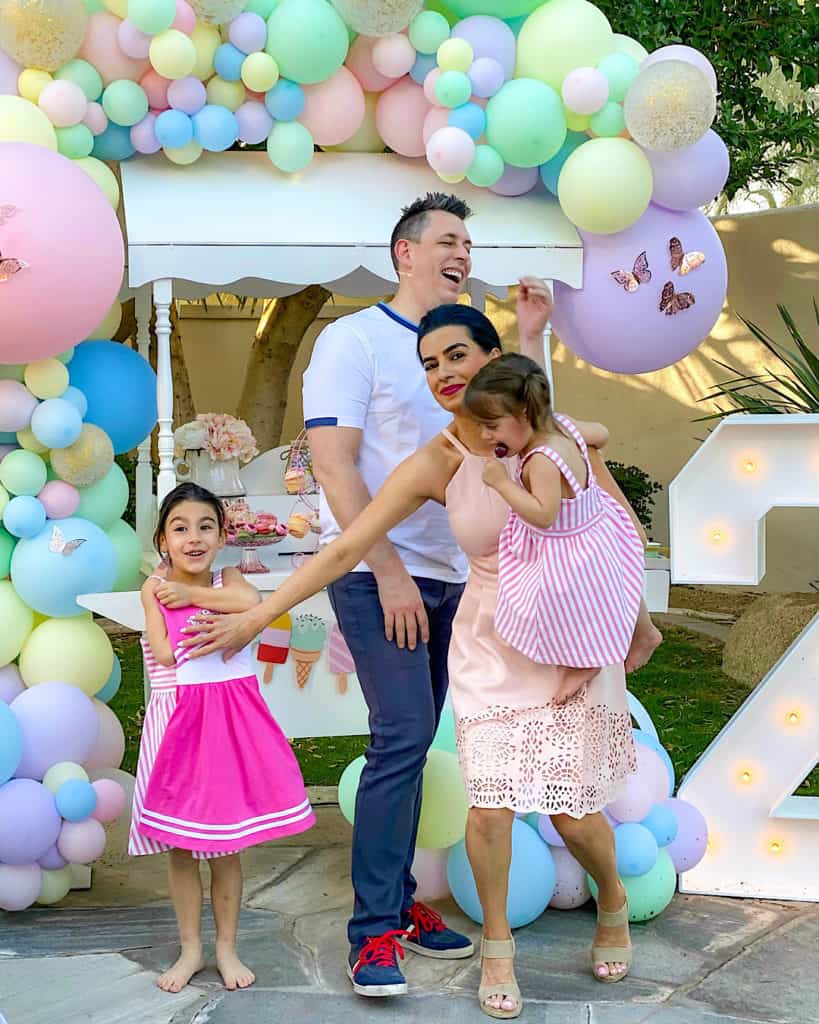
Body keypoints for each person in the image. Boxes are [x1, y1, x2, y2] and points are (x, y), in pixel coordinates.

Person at [183, 306, 662, 1018]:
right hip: (491, 647)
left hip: (568, 643)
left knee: (574, 814)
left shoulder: (552, 436)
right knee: (490, 810)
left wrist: (638, 616)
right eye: (429, 363)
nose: (441, 373)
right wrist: (256, 615)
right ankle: (496, 946)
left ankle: (612, 900)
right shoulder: (439, 460)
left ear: (493, 359)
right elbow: (345, 547)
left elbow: (608, 520)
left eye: (456, 355)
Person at [130, 482, 315, 994]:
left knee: (227, 844)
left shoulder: (229, 578)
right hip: (178, 723)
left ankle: (227, 947)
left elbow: (248, 600)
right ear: (163, 539)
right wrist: (166, 606)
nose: (194, 538)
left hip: (227, 724)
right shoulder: (154, 587)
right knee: (182, 846)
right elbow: (165, 655)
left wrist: (190, 596)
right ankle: (191, 947)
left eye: (205, 527)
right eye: (180, 528)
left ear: (222, 536)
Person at [464, 352, 647, 698]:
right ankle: (631, 637)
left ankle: (581, 663)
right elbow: (602, 433)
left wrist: (502, 484)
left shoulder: (541, 460)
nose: (487, 436)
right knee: (600, 603)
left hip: (569, 550)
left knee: (551, 608)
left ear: (523, 414)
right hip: (596, 528)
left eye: (492, 426)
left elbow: (544, 515)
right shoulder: (563, 427)